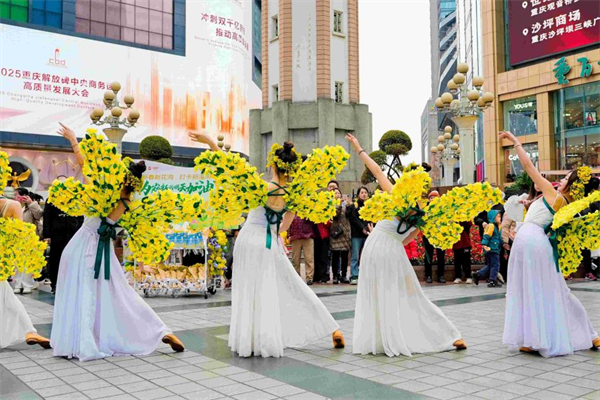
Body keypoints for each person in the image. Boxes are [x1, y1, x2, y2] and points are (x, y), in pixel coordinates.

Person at [191, 132, 347, 358]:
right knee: (292, 284)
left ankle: (251, 339)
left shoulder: (259, 187)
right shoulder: (293, 195)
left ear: (273, 165)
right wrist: (273, 232)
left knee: (250, 289)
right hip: (270, 242)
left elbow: (230, 169)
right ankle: (331, 328)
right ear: (291, 169)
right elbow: (284, 227)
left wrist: (210, 143)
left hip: (248, 240)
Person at [50, 124, 184, 361]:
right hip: (99, 252)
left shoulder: (98, 190)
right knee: (118, 294)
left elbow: (83, 164)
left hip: (82, 247)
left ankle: (89, 337)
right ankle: (158, 330)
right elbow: (123, 227)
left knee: (87, 294)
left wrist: (73, 140)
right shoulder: (124, 203)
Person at [346, 133, 466, 357]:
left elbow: (377, 171)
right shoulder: (421, 212)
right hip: (390, 247)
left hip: (376, 244)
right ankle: (444, 334)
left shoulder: (397, 196)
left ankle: (383, 337)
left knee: (381, 290)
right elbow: (410, 238)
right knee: (410, 293)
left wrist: (359, 148)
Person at [499, 130, 600, 357]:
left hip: (531, 240)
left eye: (564, 179)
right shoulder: (565, 202)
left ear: (570, 185)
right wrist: (528, 204)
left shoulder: (552, 193)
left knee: (535, 289)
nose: (560, 180)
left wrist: (516, 142)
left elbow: (529, 167)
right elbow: (542, 213)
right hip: (535, 241)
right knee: (549, 289)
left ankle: (539, 338)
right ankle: (579, 334)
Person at [0, 151, 51, 349]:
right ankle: (30, 330)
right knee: (5, 294)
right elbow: (22, 234)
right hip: (4, 256)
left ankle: (30, 330)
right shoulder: (11, 205)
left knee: (5, 294)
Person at [42, 178, 84, 294]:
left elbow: (80, 217)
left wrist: (80, 232)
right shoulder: (51, 199)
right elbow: (47, 218)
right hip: (57, 235)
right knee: (56, 260)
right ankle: (55, 284)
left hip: (73, 234)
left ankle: (71, 284)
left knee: (72, 260)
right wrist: (47, 235)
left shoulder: (76, 198)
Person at [12, 188, 43, 294]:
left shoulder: (30, 206)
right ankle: (17, 284)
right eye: (15, 195)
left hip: (30, 238)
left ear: (24, 196)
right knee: (17, 263)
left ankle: (27, 284)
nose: (16, 197)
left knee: (28, 263)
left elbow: (39, 215)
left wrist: (31, 203)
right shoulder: (13, 206)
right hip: (17, 238)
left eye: (17, 195)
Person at [473, 210, 503, 288]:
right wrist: (484, 245)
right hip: (492, 248)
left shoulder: (498, 226)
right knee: (495, 265)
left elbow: (499, 238)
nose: (500, 218)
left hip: (494, 248)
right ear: (493, 217)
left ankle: (478, 274)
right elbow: (486, 236)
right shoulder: (491, 226)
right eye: (498, 216)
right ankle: (492, 280)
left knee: (491, 265)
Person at [348, 186, 371, 285]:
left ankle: (365, 275)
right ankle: (354, 275)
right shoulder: (354, 206)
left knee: (366, 256)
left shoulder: (370, 206)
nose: (364, 194)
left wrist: (367, 228)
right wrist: (362, 228)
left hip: (367, 234)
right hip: (356, 234)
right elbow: (353, 219)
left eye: (365, 192)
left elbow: (371, 218)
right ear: (358, 195)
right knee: (355, 256)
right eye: (362, 192)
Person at [423, 191, 446, 284]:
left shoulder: (442, 209)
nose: (432, 199)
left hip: (440, 236)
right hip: (428, 236)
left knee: (441, 256)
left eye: (435, 197)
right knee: (428, 256)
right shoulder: (425, 209)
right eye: (431, 198)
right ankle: (428, 276)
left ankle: (441, 276)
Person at [330, 188, 351, 284]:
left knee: (345, 256)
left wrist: (348, 206)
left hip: (345, 233)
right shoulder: (330, 205)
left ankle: (343, 275)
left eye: (338, 193)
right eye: (335, 193)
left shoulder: (345, 204)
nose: (337, 194)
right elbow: (335, 215)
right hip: (336, 232)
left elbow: (349, 215)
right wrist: (338, 204)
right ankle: (335, 275)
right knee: (335, 255)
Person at [289, 216, 315, 285]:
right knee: (295, 259)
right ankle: (296, 277)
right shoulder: (293, 209)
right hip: (295, 237)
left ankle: (309, 278)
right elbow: (289, 222)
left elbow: (313, 220)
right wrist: (289, 235)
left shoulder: (307, 209)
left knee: (309, 259)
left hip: (308, 236)